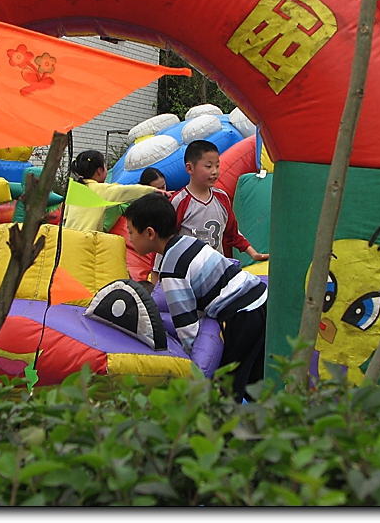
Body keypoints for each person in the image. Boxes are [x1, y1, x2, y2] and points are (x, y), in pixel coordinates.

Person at [125, 193, 267, 402]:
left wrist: (188, 365)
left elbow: (188, 329)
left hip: (241, 314)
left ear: (149, 233)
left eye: (130, 232)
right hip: (259, 299)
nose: (129, 238)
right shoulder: (189, 243)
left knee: (227, 387)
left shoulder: (172, 269)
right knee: (256, 379)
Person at [170, 139, 268, 261]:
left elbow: (232, 233)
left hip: (215, 267)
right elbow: (165, 238)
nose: (214, 172)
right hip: (188, 268)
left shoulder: (221, 198)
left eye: (217, 166)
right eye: (208, 166)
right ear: (190, 168)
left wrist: (254, 254)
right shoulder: (179, 201)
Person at [63, 150, 161, 232]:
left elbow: (65, 218)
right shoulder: (101, 190)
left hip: (67, 240)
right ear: (99, 170)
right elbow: (126, 191)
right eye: (105, 166)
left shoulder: (73, 190)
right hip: (87, 241)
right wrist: (154, 191)